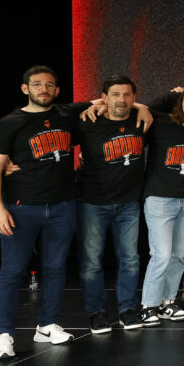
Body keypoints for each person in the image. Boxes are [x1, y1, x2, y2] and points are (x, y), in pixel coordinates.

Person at [0, 66, 90, 358]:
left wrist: (143, 109)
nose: (44, 89)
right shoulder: (9, 123)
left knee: (56, 269)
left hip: (62, 205)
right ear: (24, 88)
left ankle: (47, 326)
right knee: (12, 271)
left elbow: (107, 101)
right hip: (21, 208)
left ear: (57, 90)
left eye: (50, 85)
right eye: (37, 84)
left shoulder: (68, 114)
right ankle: (3, 335)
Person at [76, 75, 149, 334]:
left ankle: (128, 309)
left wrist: (144, 109)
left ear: (134, 98)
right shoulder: (87, 122)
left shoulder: (141, 121)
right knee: (92, 262)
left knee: (130, 259)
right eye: (115, 94)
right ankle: (96, 313)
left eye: (127, 95)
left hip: (128, 203)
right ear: (104, 98)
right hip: (93, 203)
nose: (122, 100)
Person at [138, 88, 184, 323]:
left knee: (178, 256)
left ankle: (168, 302)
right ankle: (148, 306)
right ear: (180, 103)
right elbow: (141, 108)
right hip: (160, 199)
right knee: (161, 255)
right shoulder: (162, 123)